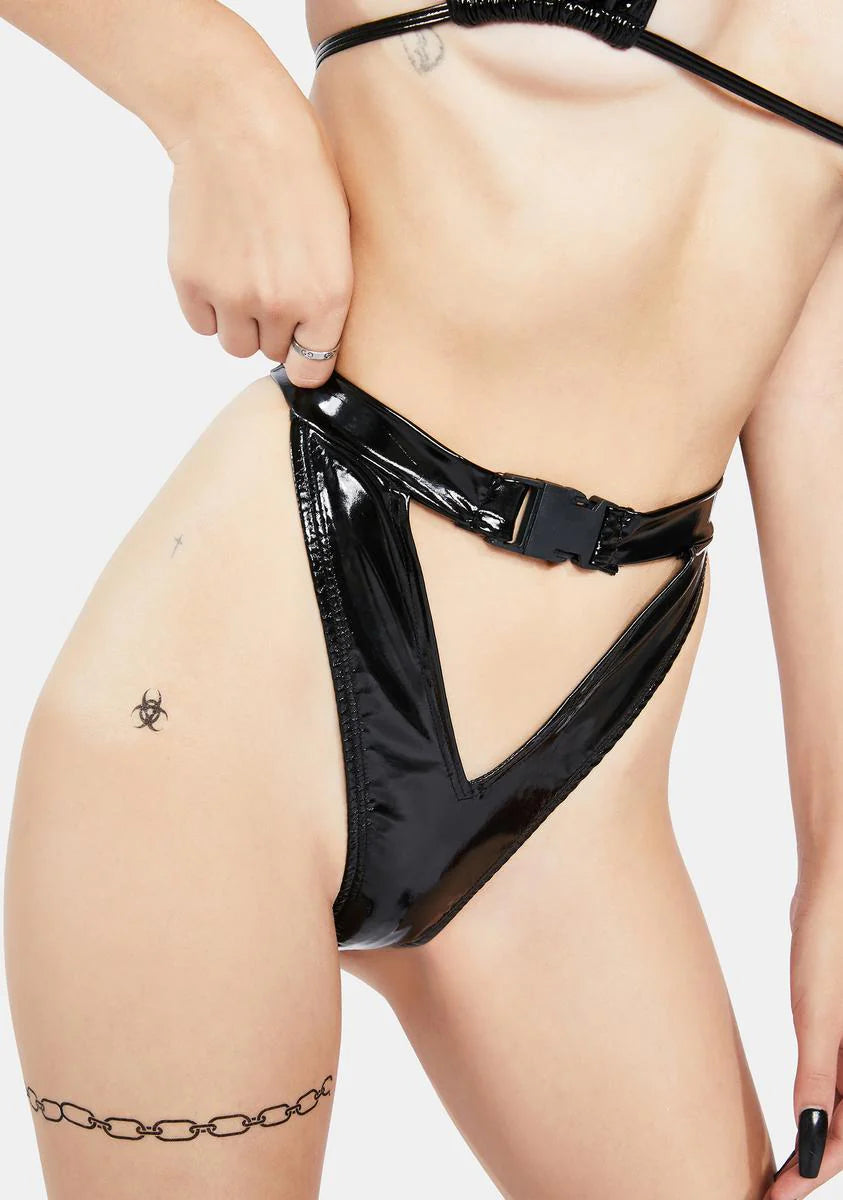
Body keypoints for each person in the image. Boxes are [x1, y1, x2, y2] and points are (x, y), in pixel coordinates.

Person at [3, 1, 843, 1196]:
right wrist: (216, 92)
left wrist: (835, 860)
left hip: (585, 770)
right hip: (246, 684)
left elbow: (819, 359)